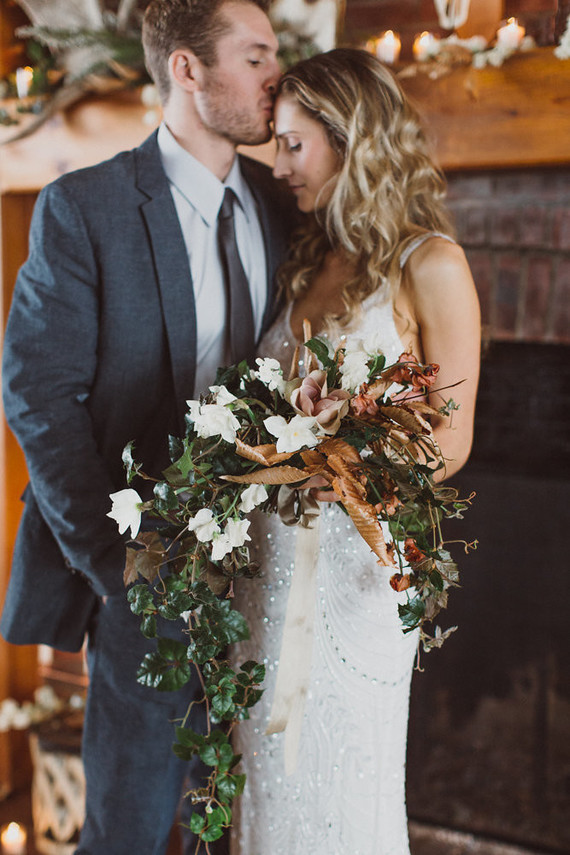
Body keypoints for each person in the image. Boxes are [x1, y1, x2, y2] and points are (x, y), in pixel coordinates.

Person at [0, 1, 298, 853]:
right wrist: (117, 562)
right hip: (146, 579)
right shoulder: (84, 208)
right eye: (254, 56)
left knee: (239, 825)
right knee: (128, 830)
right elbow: (38, 393)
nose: (275, 74)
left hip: (271, 572)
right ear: (187, 70)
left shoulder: (288, 206)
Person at [230, 48, 481, 854]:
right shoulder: (307, 261)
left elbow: (451, 437)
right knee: (263, 778)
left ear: (352, 138)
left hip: (356, 569)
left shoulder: (431, 264)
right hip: (265, 573)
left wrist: (345, 462)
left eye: (294, 143)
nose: (279, 165)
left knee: (345, 785)